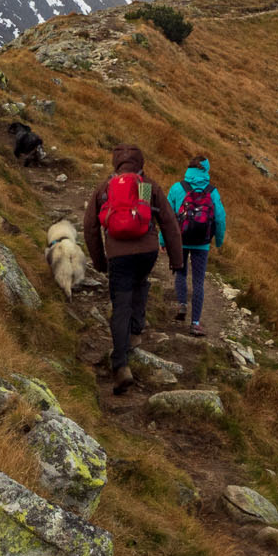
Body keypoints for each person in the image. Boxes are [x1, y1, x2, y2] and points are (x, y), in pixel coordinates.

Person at [83, 143, 184, 393]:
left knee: (120, 305)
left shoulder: (105, 188)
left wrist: (99, 261)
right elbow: (169, 222)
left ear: (115, 163)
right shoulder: (147, 186)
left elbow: (90, 228)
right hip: (146, 251)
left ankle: (120, 365)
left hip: (118, 255)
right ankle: (136, 331)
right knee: (141, 284)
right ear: (141, 162)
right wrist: (176, 259)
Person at [167, 156, 226, 335]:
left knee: (181, 273)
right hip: (202, 243)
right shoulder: (212, 191)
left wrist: (163, 240)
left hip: (180, 240)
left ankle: (182, 305)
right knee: (199, 281)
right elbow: (220, 218)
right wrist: (218, 240)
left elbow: (167, 218)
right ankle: (195, 323)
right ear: (206, 170)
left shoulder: (178, 188)